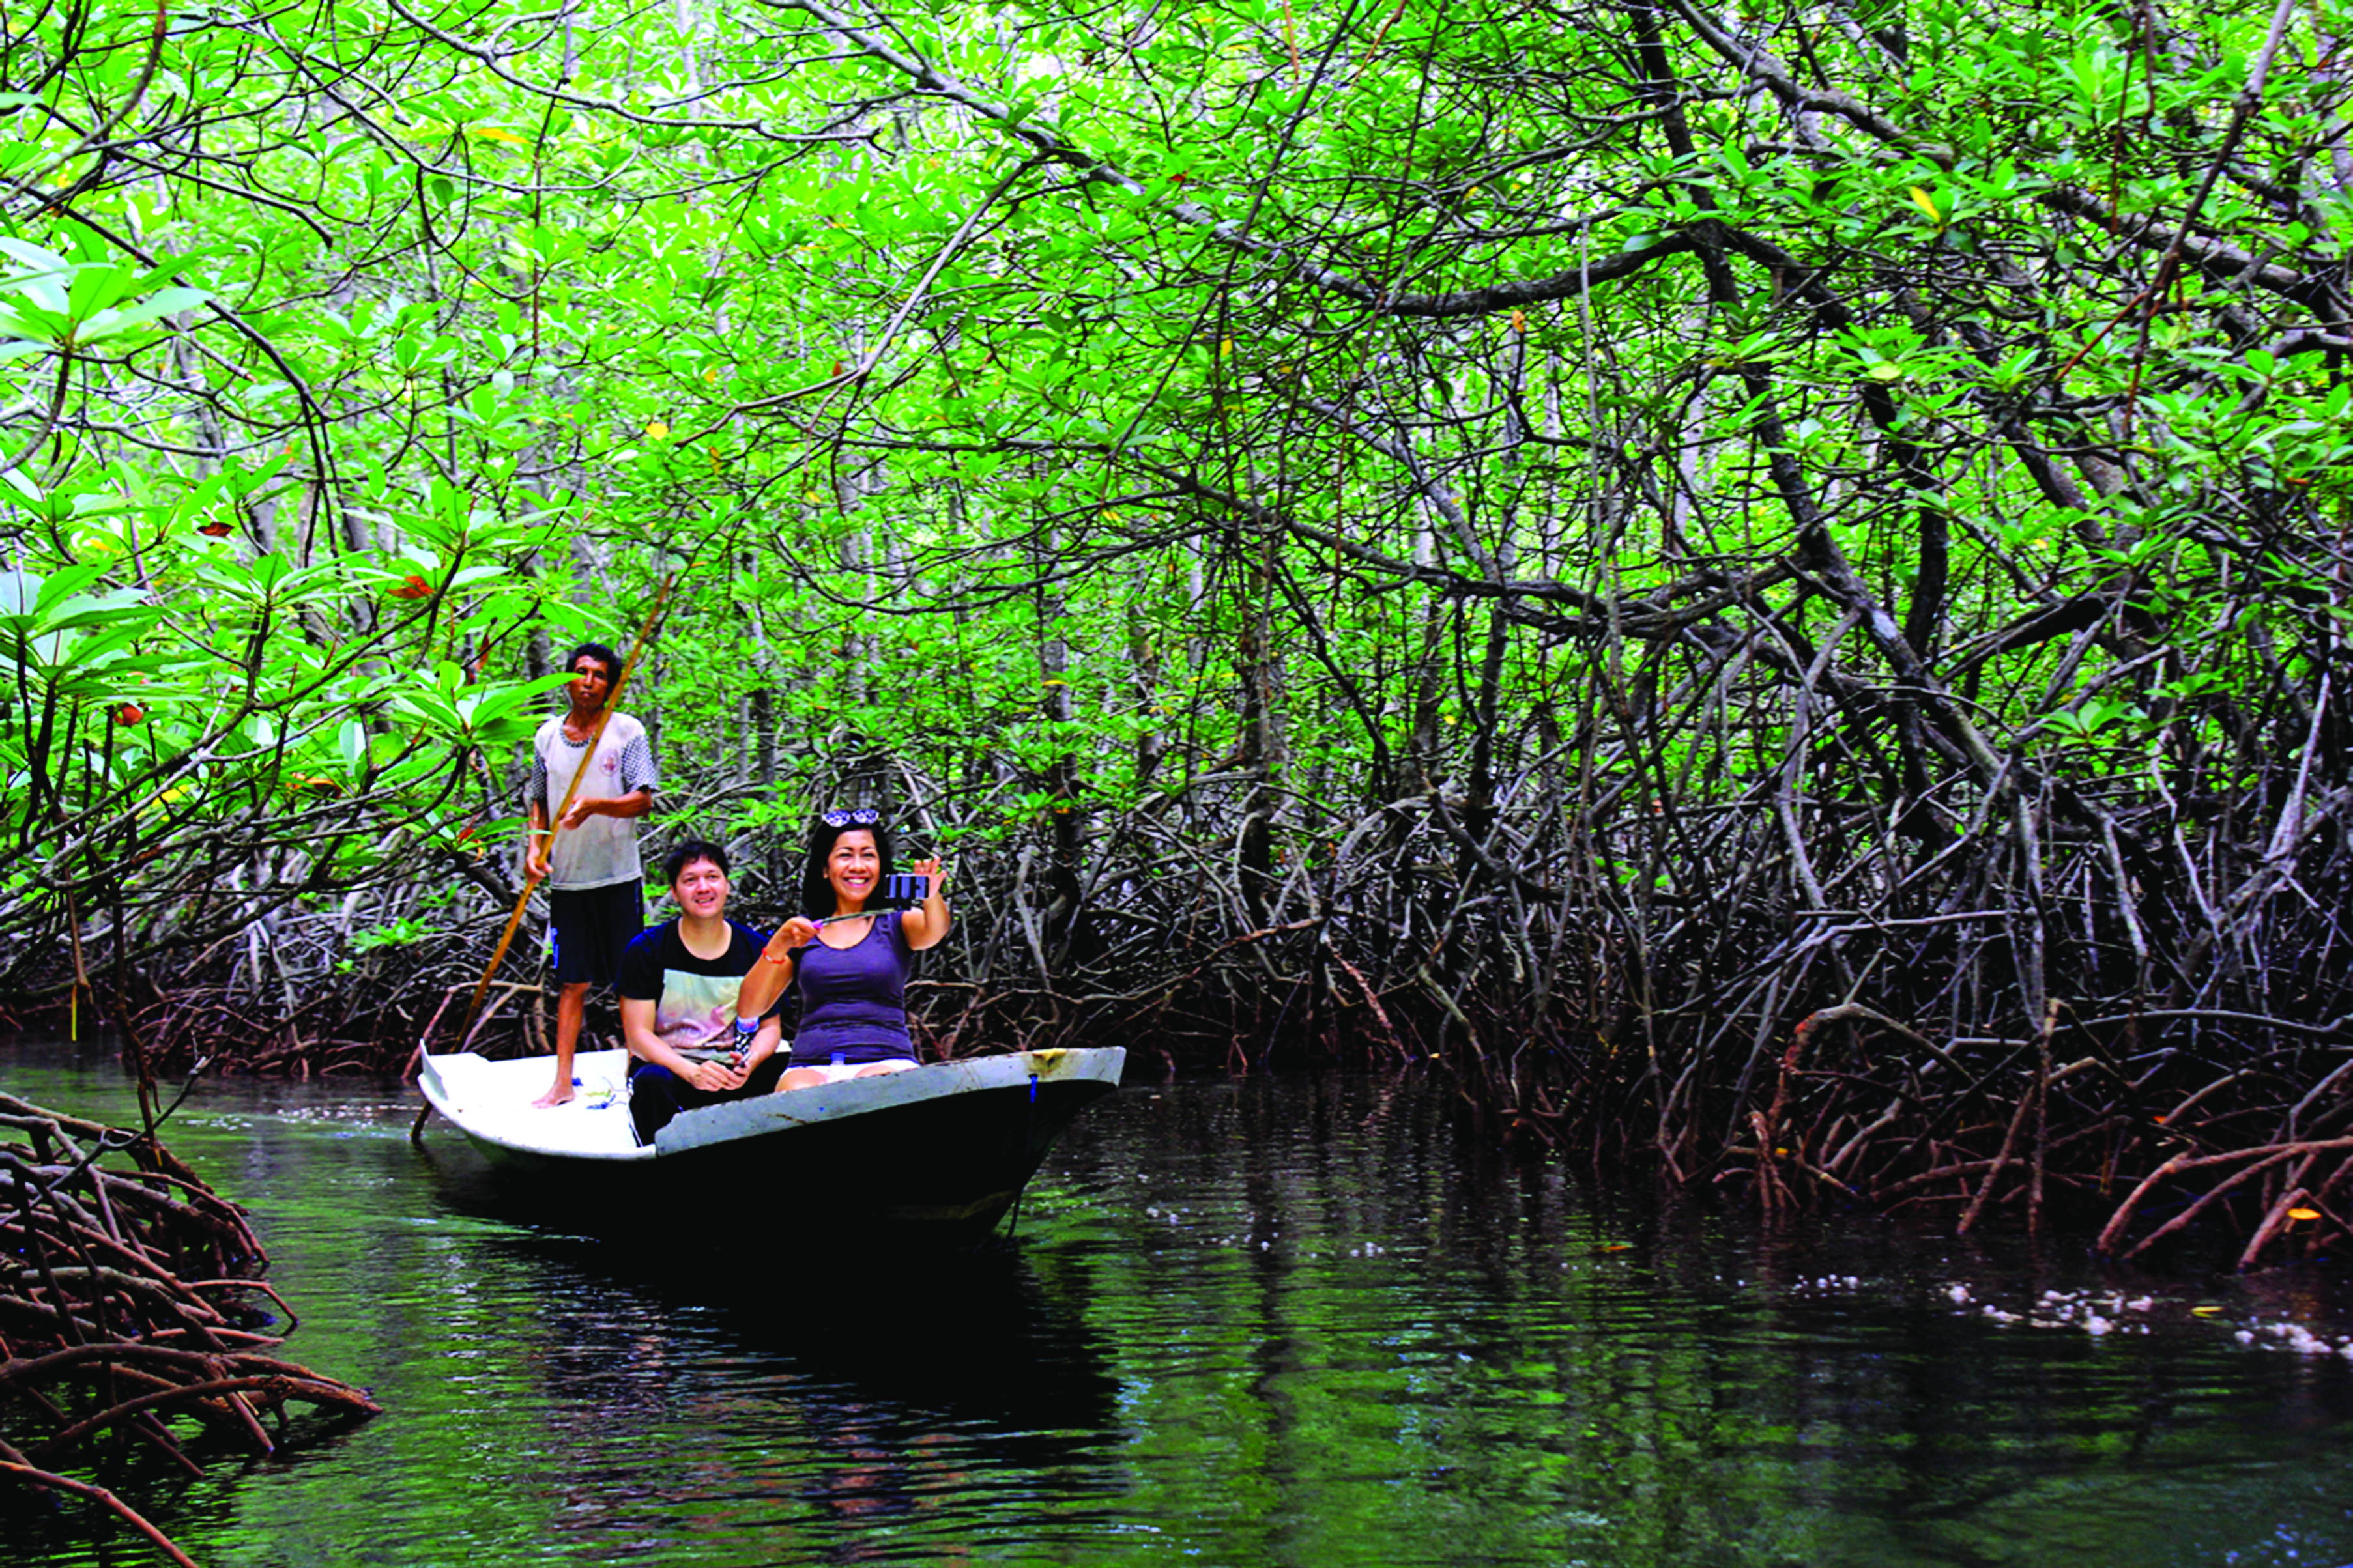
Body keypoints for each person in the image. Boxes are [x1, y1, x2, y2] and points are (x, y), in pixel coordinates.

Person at [523, 641, 657, 1107]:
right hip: (569, 882)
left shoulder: (626, 732)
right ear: (568, 678)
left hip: (618, 877)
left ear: (611, 684)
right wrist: (534, 847)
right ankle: (562, 1082)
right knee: (571, 980)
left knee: (630, 978)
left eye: (599, 675)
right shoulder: (546, 736)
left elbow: (643, 798)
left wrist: (596, 804)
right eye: (580, 672)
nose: (588, 681)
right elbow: (539, 799)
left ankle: (636, 1076)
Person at [731, 808, 949, 1091]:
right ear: (825, 868)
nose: (857, 866)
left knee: (870, 1088)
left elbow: (935, 931)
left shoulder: (897, 924)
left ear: (881, 865)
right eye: (845, 855)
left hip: (885, 1060)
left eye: (868, 855)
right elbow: (750, 1009)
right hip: (811, 1063)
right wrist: (778, 945)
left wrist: (931, 897)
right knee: (796, 1094)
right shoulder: (803, 933)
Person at [620, 840, 788, 1145]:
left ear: (726, 885)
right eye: (690, 880)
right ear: (674, 892)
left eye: (712, 877)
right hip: (675, 1071)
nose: (703, 888)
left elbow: (770, 1026)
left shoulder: (755, 948)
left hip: (735, 1072)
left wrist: (750, 1062)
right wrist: (692, 1072)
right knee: (651, 1081)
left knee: (791, 1068)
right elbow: (638, 1036)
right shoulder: (647, 950)